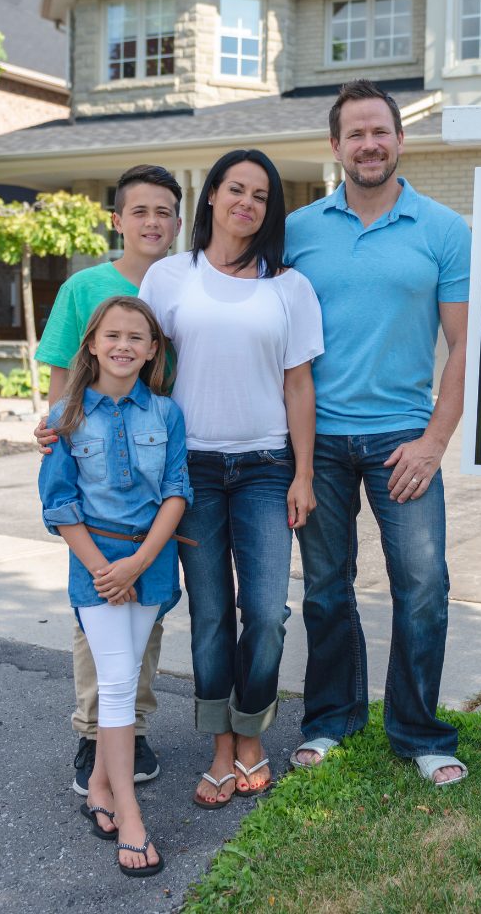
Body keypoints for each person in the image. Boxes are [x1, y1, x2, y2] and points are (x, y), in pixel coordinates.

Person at [284, 79, 471, 787]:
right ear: (335, 146)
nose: (369, 144)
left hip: (402, 438)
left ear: (400, 139)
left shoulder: (444, 230)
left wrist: (433, 442)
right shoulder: (298, 232)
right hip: (318, 441)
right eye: (355, 133)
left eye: (380, 131)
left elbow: (464, 346)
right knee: (326, 588)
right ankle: (332, 719)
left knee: (422, 585)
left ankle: (420, 733)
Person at [139, 148, 323, 806]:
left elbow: (298, 385)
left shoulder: (288, 287)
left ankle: (252, 733)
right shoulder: (168, 279)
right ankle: (222, 749)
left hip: (267, 468)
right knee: (211, 614)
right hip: (190, 471)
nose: (247, 202)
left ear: (269, 211)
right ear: (211, 195)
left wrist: (303, 473)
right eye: (235, 189)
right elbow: (135, 364)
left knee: (267, 613)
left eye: (261, 195)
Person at [35, 164, 182, 796]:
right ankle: (93, 732)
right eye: (139, 211)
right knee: (96, 610)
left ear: (178, 222)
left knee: (146, 617)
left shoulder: (182, 282)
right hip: (94, 464)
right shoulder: (84, 286)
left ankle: (134, 723)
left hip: (155, 459)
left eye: (164, 212)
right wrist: (55, 433)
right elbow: (62, 376)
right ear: (117, 220)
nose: (152, 223)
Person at [38, 295, 192, 877]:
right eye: (112, 336)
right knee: (119, 680)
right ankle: (130, 814)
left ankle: (101, 785)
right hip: (94, 562)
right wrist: (106, 568)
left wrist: (139, 562)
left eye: (137, 337)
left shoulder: (167, 414)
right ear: (93, 344)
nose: (124, 346)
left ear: (153, 349)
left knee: (125, 674)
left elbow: (178, 489)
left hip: (151, 561)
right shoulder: (63, 418)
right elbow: (59, 503)